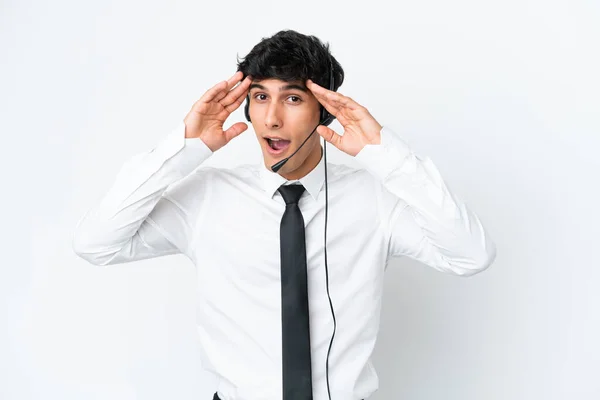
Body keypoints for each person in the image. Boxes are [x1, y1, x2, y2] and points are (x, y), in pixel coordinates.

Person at [72, 30, 496, 400]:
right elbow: (95, 244)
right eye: (260, 98)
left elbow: (471, 255)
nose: (272, 118)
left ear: (324, 112)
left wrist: (387, 157)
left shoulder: (376, 199)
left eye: (292, 98)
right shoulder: (206, 196)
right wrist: (184, 149)